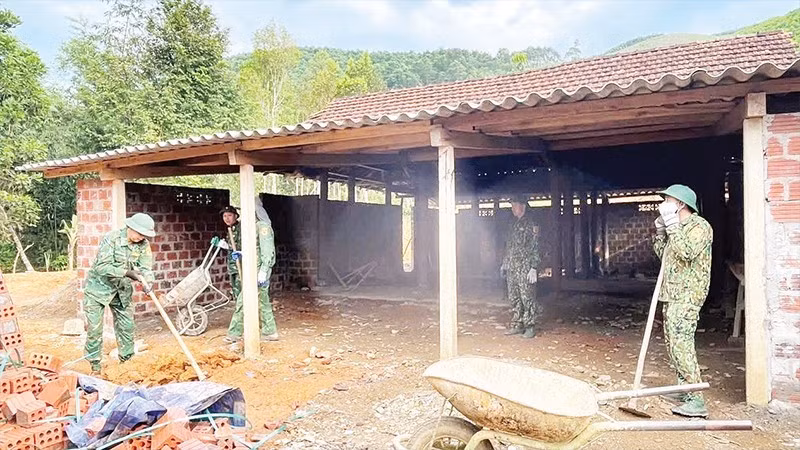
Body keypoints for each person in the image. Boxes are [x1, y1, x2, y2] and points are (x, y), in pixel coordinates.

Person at [653, 184, 713, 418]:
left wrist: (672, 227)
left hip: (688, 295)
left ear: (680, 204)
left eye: (667, 200)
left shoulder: (700, 227)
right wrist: (660, 233)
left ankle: (696, 400)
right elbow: (665, 257)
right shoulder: (674, 227)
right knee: (673, 345)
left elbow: (686, 252)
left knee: (682, 345)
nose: (663, 205)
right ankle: (684, 389)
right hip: (672, 294)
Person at [83, 213, 155, 375]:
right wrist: (126, 273)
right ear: (130, 227)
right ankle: (95, 366)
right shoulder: (112, 238)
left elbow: (145, 268)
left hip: (121, 291)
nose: (141, 237)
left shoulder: (143, 244)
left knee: (127, 326)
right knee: (95, 329)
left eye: (144, 235)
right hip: (98, 289)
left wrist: (148, 282)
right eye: (139, 233)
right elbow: (102, 267)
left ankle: (127, 363)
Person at [221, 201, 279, 343]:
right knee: (263, 300)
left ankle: (234, 333)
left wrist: (264, 271)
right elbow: (255, 248)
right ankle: (270, 331)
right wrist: (242, 253)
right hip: (253, 268)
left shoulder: (263, 227)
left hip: (258, 270)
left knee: (243, 300)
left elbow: (267, 251)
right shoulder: (254, 227)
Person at [501, 195, 541, 338]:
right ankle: (517, 324)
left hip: (525, 266)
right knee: (514, 296)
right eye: (511, 205)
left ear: (522, 206)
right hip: (512, 266)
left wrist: (534, 267)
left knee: (527, 297)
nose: (513, 208)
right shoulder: (512, 224)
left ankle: (530, 326)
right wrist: (505, 262)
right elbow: (508, 245)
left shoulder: (531, 224)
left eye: (514, 205)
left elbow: (535, 246)